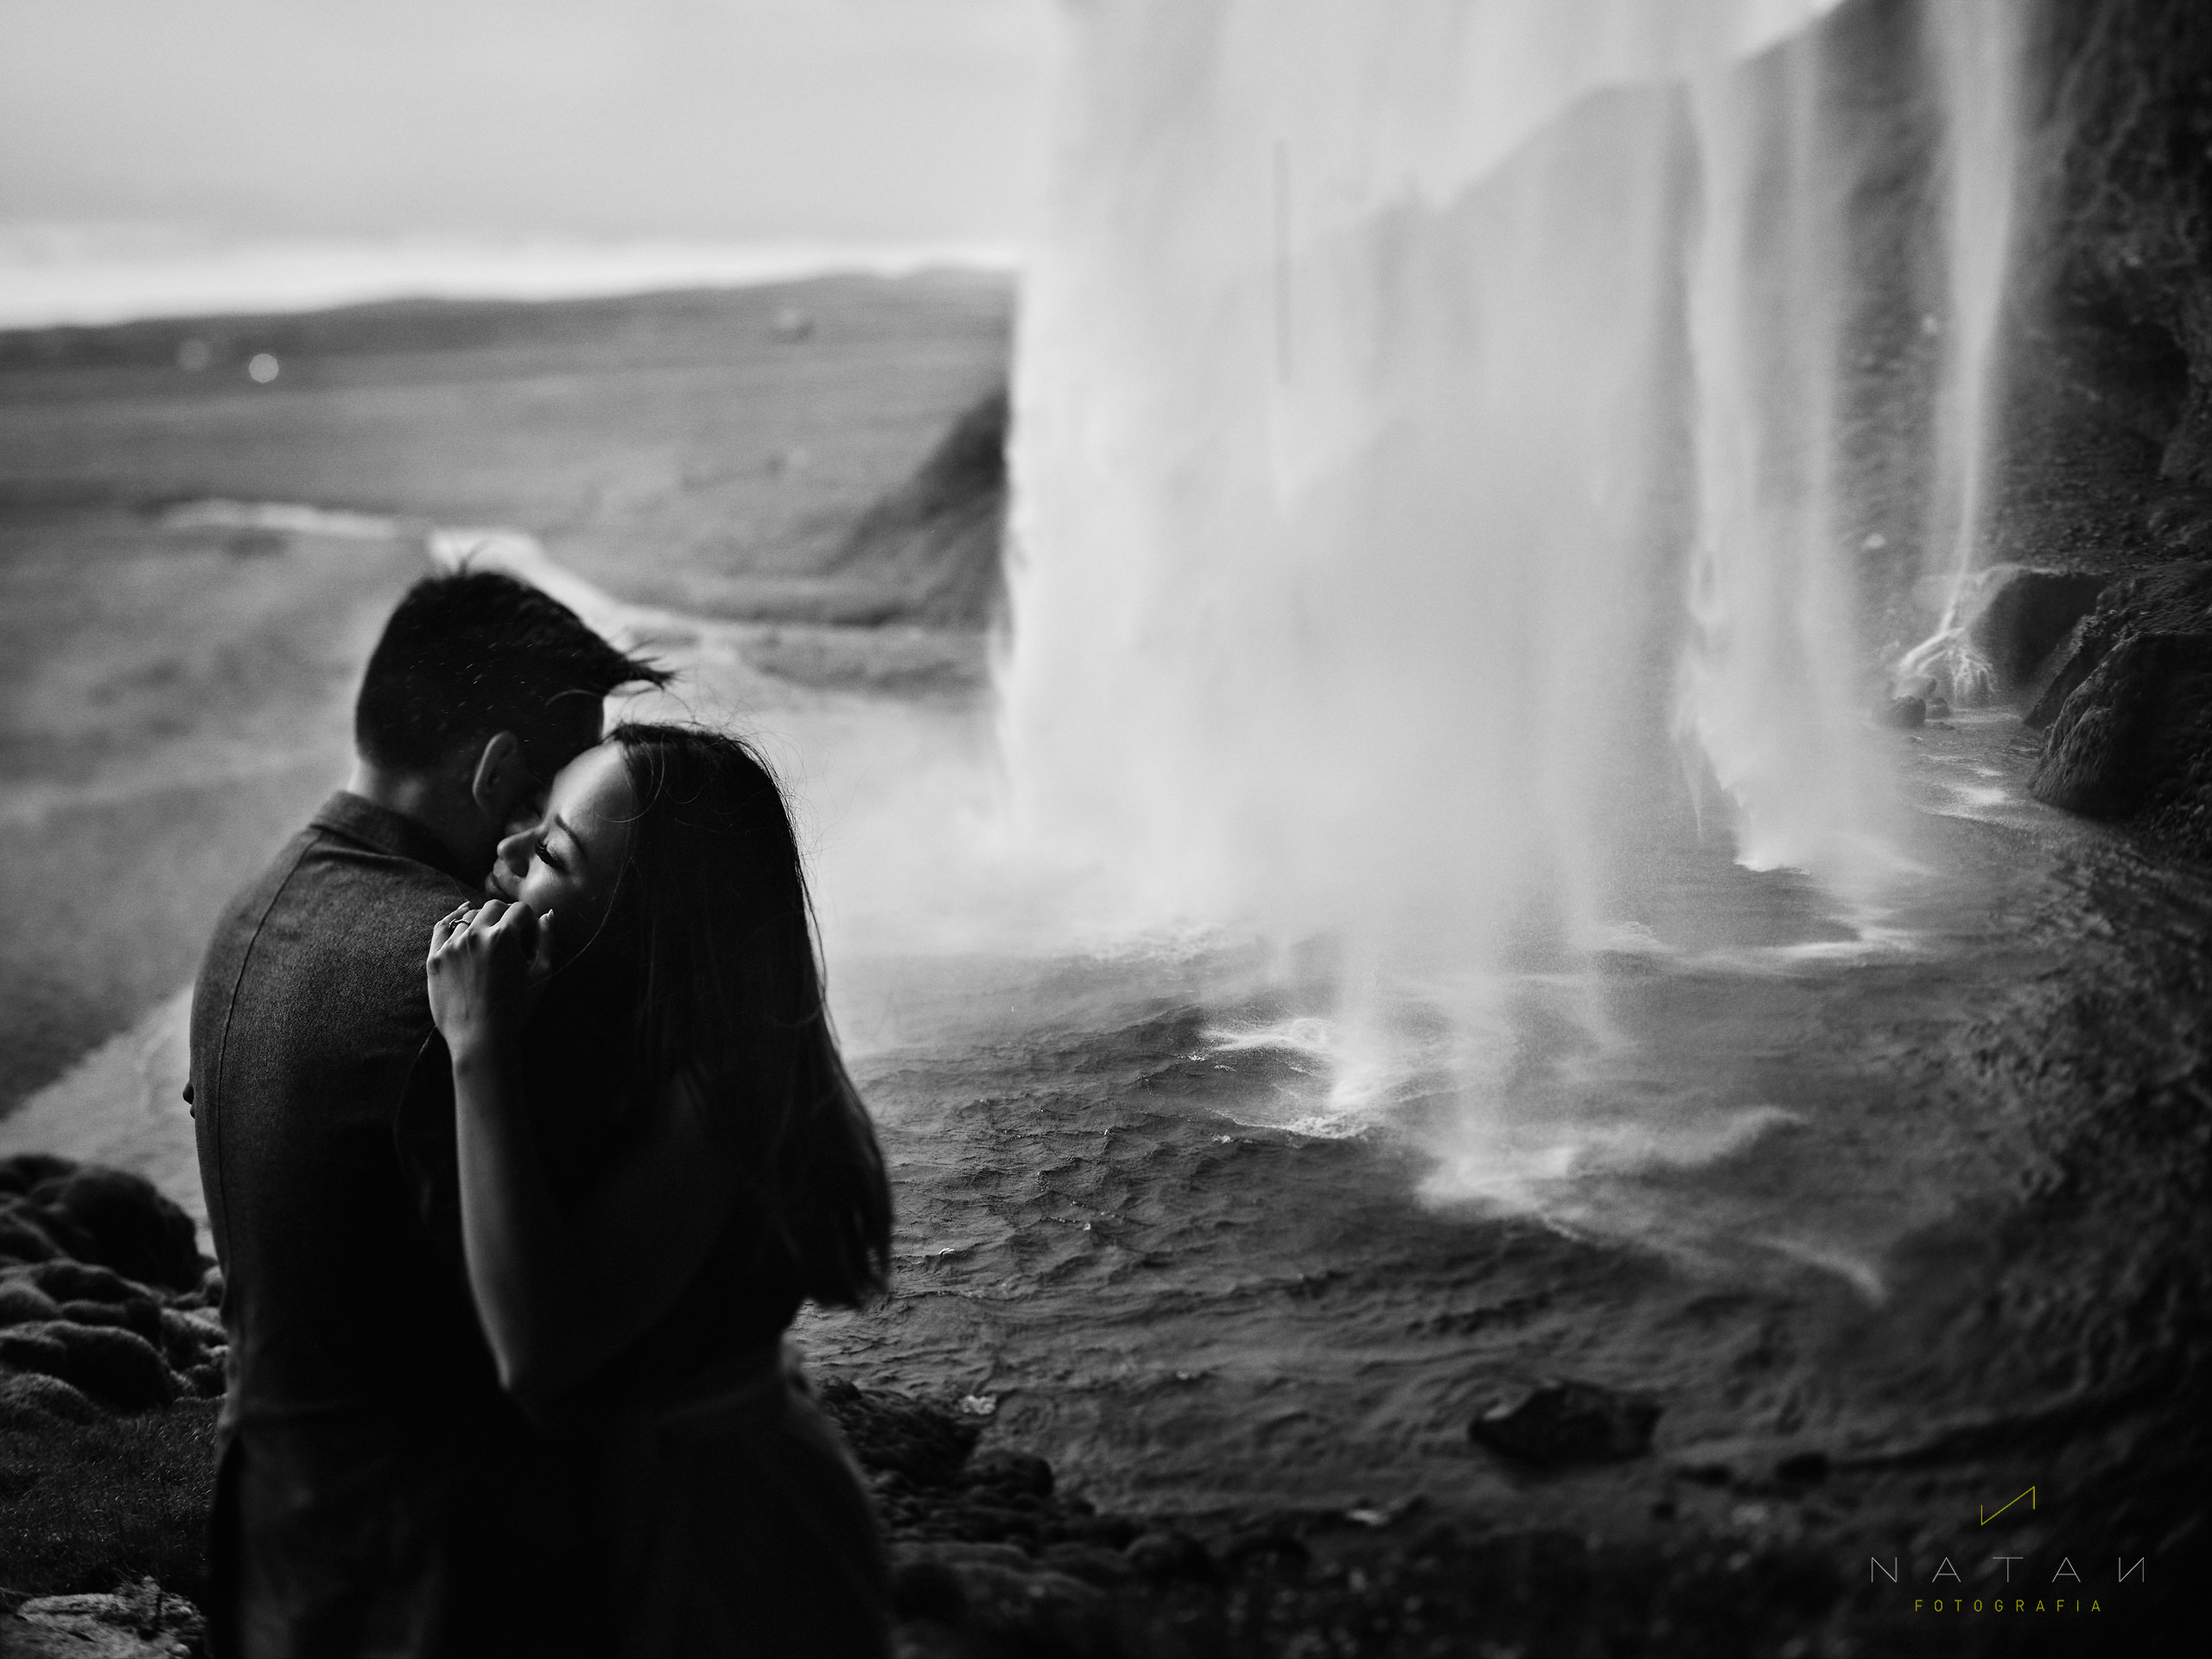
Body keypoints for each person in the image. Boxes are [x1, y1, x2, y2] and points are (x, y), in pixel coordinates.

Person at [187, 569, 669, 1658]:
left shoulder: (254, 909)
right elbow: (558, 1335)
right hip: (441, 1582)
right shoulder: (466, 982)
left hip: (274, 1532)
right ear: (501, 771)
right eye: (560, 791)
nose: (556, 826)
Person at [420, 721, 895, 1658]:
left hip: (730, 1541)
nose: (509, 851)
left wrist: (479, 1048)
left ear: (649, 928)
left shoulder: (717, 1094)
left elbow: (539, 1355)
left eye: (552, 850)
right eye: (530, 816)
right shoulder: (639, 1049)